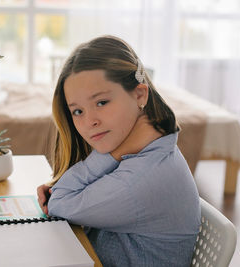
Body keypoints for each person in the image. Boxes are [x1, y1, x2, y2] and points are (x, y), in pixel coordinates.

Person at [37, 35, 201, 267]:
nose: (89, 121)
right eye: (77, 111)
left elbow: (59, 203)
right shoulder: (152, 148)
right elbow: (62, 195)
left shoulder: (139, 180)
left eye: (102, 102)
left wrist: (115, 153)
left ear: (139, 95)